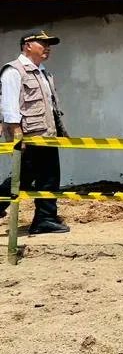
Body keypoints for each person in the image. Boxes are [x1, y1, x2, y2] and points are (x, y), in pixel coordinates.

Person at [0, 31, 70, 234]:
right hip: (28, 136)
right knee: (23, 177)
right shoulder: (13, 71)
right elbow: (9, 106)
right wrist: (17, 134)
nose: (47, 47)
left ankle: (45, 219)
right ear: (27, 45)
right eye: (43, 43)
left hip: (46, 135)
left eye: (49, 44)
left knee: (48, 176)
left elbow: (50, 106)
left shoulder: (44, 72)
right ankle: (43, 219)